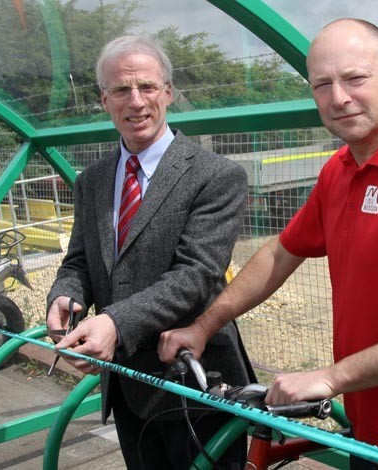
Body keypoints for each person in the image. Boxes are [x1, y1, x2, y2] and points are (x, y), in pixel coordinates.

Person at [158, 18, 378, 470]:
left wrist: (331, 378)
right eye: (322, 84)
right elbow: (281, 253)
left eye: (355, 78)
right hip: (373, 431)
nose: (339, 98)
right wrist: (203, 327)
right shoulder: (340, 169)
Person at [47, 35, 254, 469]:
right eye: (121, 90)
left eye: (147, 87)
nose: (136, 101)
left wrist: (115, 323)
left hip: (196, 385)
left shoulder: (215, 175)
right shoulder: (93, 180)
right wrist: (64, 298)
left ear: (168, 93)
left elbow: (196, 275)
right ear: (104, 99)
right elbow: (79, 261)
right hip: (126, 385)